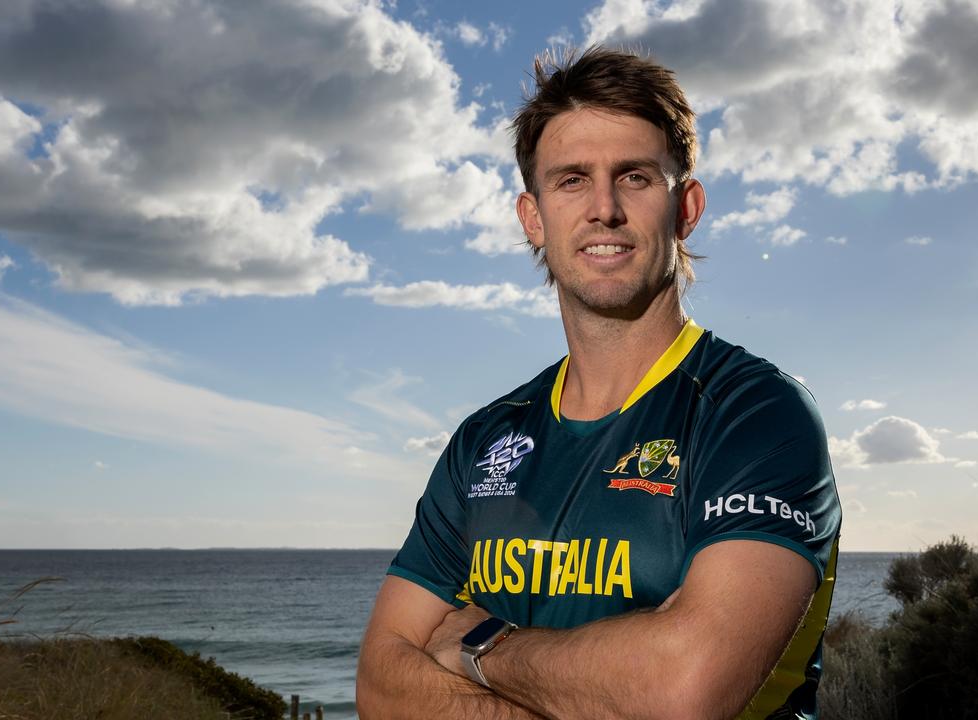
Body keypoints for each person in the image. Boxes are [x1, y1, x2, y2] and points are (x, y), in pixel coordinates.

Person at [356, 46, 841, 720]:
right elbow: (381, 684)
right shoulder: (487, 440)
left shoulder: (754, 413)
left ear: (686, 209)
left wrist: (480, 647)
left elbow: (683, 690)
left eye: (635, 177)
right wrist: (609, 674)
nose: (604, 209)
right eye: (572, 180)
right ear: (534, 218)